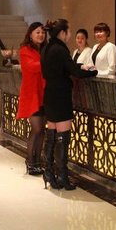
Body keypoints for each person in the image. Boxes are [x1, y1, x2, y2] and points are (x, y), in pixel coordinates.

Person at [41, 19, 97, 190]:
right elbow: (75, 72)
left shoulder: (46, 48)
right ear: (62, 33)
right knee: (63, 138)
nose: (71, 35)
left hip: (50, 94)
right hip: (61, 95)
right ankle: (63, 177)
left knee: (52, 136)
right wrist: (93, 72)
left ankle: (49, 172)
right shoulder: (61, 49)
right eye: (69, 31)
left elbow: (63, 67)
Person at [15, 22, 47, 175]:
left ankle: (38, 161)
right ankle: (30, 161)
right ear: (30, 34)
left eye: (43, 32)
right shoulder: (24, 50)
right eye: (37, 32)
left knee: (42, 131)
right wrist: (48, 62)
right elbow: (31, 67)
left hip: (44, 94)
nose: (41, 35)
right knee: (37, 128)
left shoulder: (45, 50)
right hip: (31, 94)